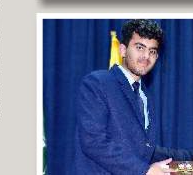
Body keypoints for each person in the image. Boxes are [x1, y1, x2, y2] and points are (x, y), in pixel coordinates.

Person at [73, 19, 175, 174]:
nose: (146, 56)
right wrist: (145, 170)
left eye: (152, 51)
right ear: (122, 50)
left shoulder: (146, 96)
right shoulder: (97, 83)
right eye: (140, 48)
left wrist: (188, 162)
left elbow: (141, 147)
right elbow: (93, 142)